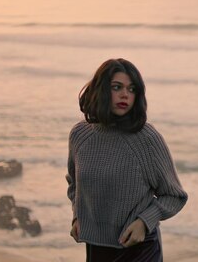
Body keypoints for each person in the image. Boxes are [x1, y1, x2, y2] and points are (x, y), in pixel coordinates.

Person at [66, 58, 188, 262]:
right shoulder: (80, 134)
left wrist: (144, 222)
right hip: (96, 248)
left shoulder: (146, 139)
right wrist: (78, 215)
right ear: (101, 89)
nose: (125, 95)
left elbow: (174, 195)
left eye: (132, 89)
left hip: (139, 249)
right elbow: (74, 184)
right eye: (117, 87)